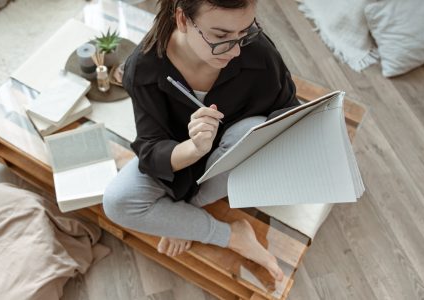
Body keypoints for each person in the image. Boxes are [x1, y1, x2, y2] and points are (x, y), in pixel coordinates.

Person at [103, 0, 299, 282]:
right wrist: (194, 148)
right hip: (181, 158)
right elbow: (151, 150)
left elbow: (287, 107)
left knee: (253, 129)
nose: (235, 50)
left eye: (245, 31)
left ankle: (184, 216)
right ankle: (231, 235)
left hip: (231, 161)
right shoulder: (143, 69)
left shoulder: (257, 52)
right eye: (220, 37)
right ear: (182, 20)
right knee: (117, 202)